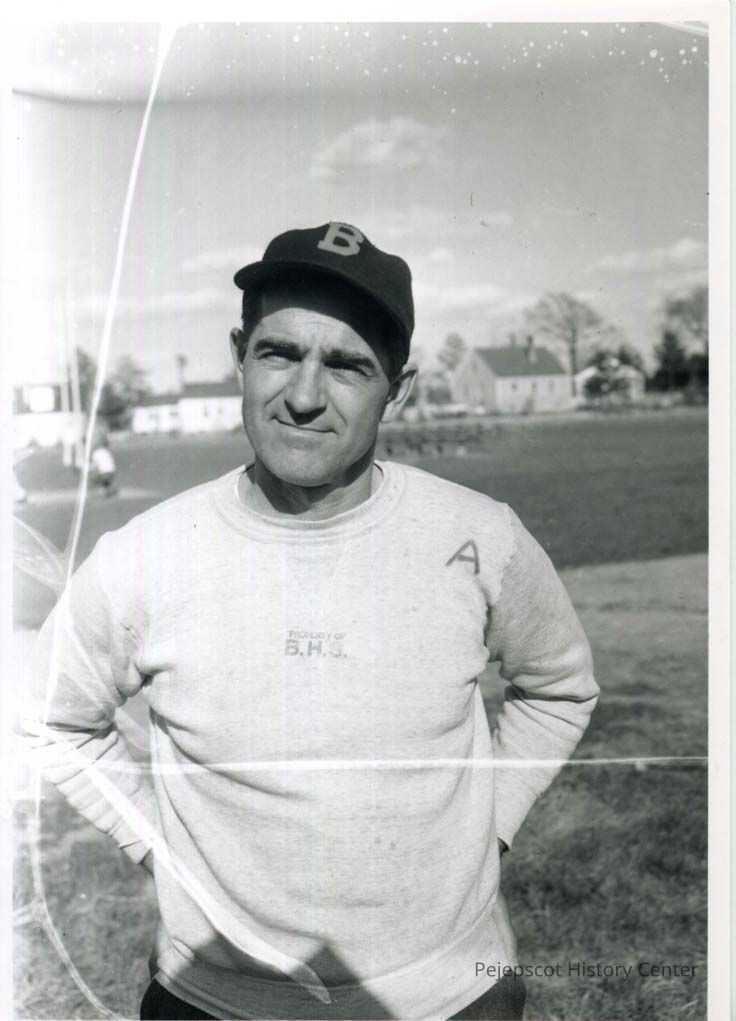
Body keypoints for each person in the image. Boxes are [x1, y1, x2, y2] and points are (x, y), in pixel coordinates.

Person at [27, 222, 598, 1021]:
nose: (302, 395)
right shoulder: (143, 555)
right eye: (279, 353)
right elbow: (50, 717)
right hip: (216, 1001)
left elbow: (559, 688)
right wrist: (156, 847)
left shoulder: (479, 536)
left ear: (398, 389)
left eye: (347, 365)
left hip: (450, 996)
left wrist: (490, 827)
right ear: (240, 355)